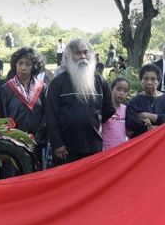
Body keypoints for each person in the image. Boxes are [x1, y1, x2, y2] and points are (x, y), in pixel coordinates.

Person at [45, 38, 115, 166]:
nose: (83, 56)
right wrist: (57, 143)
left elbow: (109, 109)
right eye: (77, 53)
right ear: (69, 57)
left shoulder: (100, 81)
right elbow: (50, 115)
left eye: (85, 52)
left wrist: (92, 122)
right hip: (65, 149)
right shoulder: (58, 82)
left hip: (93, 147)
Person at [0, 46, 47, 160]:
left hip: (36, 144)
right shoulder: (6, 89)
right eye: (20, 63)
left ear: (34, 67)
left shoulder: (42, 89)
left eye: (28, 64)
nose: (23, 68)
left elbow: (46, 117)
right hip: (12, 145)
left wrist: (36, 139)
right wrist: (12, 138)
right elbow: (2, 117)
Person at [125, 64, 165, 139]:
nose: (149, 82)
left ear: (158, 81)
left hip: (162, 140)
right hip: (140, 142)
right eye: (146, 79)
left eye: (153, 79)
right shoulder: (134, 101)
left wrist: (147, 115)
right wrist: (147, 127)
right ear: (141, 81)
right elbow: (130, 123)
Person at [101, 77, 129, 150]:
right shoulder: (104, 108)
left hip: (121, 151)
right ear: (111, 90)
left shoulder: (126, 109)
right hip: (104, 151)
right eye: (118, 89)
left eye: (125, 91)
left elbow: (128, 131)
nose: (122, 93)